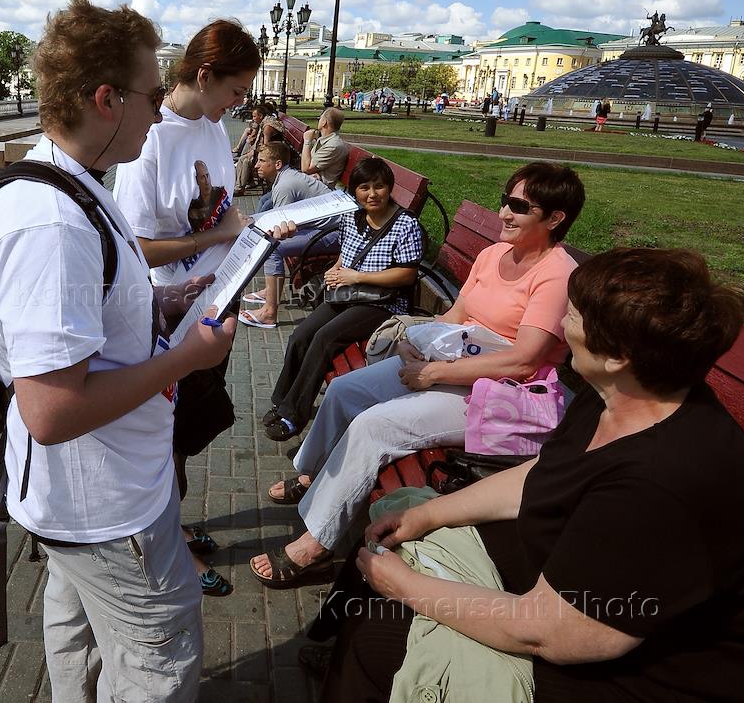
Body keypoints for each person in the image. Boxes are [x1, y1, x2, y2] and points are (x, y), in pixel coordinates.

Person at [319, 247, 744, 703]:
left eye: (575, 316)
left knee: (380, 642)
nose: (560, 325)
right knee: (393, 538)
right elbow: (543, 473)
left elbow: (550, 635)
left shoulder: (662, 480)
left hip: (651, 672)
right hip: (580, 574)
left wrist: (405, 586)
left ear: (618, 353)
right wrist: (427, 516)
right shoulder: (616, 394)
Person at [0, 0, 238, 702]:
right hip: (106, 505)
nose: (160, 110)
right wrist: (186, 358)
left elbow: (91, 311)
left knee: (77, 631)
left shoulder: (73, 182)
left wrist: (158, 304)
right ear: (105, 99)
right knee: (159, 652)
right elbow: (52, 410)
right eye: (152, 94)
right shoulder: (51, 223)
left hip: (86, 500)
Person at [250, 162, 585, 589]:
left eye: (519, 207)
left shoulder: (556, 275)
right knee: (345, 390)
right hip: (452, 364)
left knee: (374, 427)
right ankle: (315, 476)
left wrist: (435, 373)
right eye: (505, 200)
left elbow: (523, 360)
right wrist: (419, 339)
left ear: (555, 218)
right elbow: (456, 316)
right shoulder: (494, 253)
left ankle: (316, 547)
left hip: (500, 393)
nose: (504, 212)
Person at [113, 17, 262, 597]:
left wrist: (252, 233)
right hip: (168, 312)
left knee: (183, 430)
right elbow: (136, 245)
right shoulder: (148, 138)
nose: (238, 103)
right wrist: (213, 237)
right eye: (234, 91)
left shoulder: (211, 126)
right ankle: (165, 545)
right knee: (161, 432)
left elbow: (221, 206)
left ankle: (170, 524)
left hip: (215, 298)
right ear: (203, 75)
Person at [258, 157, 423, 435]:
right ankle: (282, 399)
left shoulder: (405, 224)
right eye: (364, 188)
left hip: (383, 302)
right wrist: (334, 271)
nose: (372, 194)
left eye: (380, 187)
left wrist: (356, 276)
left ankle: (293, 415)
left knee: (325, 337)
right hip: (347, 293)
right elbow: (345, 255)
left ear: (390, 188)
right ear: (355, 191)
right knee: (302, 334)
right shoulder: (352, 217)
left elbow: (407, 275)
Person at [238, 141, 335, 329]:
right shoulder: (286, 178)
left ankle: (268, 313)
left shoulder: (285, 185)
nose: (256, 165)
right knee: (271, 242)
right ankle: (270, 291)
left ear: (277, 165)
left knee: (273, 247)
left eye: (261, 161)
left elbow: (280, 228)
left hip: (334, 233)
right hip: (325, 228)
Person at [300, 107, 350, 189]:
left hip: (320, 188)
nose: (318, 120)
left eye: (320, 118)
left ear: (324, 122)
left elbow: (305, 169)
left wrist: (307, 141)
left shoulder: (333, 145)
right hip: (312, 182)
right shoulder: (324, 139)